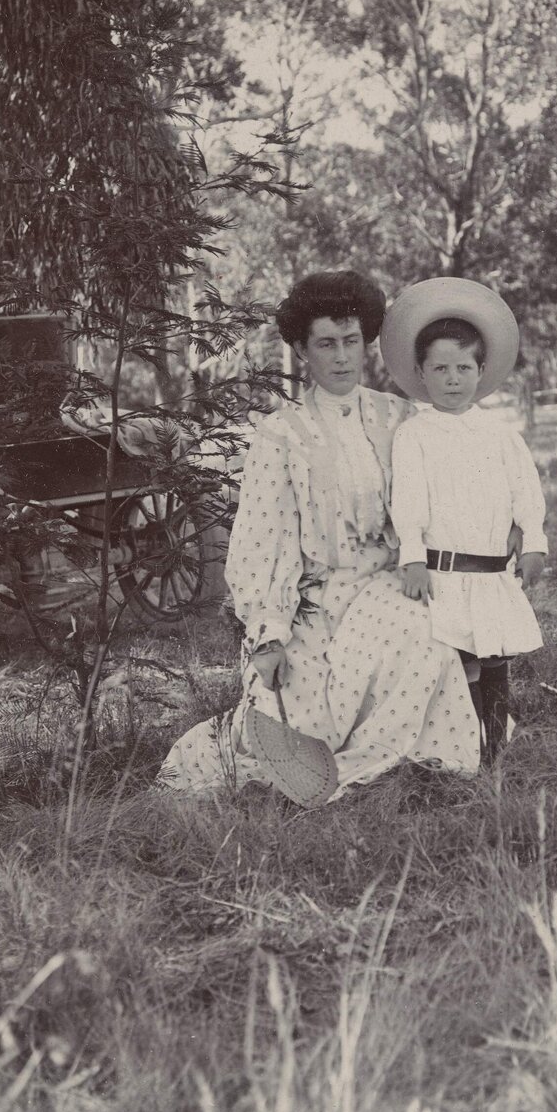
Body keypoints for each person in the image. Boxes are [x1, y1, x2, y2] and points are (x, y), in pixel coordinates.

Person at [156, 270, 480, 801]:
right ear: (303, 351)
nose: (342, 357)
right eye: (326, 343)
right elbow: (263, 541)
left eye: (352, 341)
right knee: (304, 717)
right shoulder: (281, 434)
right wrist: (268, 633)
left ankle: (403, 762)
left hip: (391, 583)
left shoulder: (398, 416)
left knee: (425, 644)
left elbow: (449, 490)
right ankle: (316, 757)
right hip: (316, 600)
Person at [380, 277, 548, 764]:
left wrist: (533, 541)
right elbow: (407, 501)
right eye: (440, 369)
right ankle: (462, 748)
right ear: (421, 372)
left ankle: (494, 748)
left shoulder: (499, 435)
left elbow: (526, 492)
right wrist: (412, 555)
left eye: (462, 368)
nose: (452, 379)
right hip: (444, 572)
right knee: (459, 663)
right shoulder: (415, 435)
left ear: (480, 371)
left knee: (496, 660)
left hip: (492, 571)